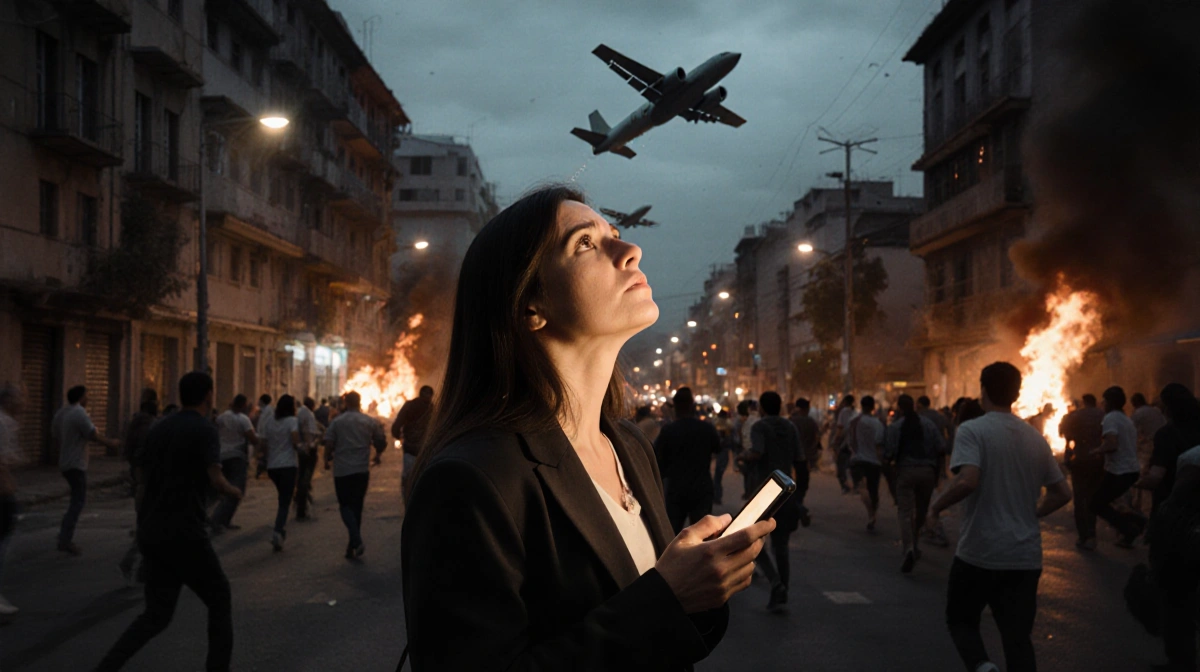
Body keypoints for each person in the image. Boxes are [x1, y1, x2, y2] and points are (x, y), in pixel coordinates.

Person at [400, 186, 772, 670]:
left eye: (615, 234)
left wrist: (702, 586)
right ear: (530, 305)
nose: (630, 250)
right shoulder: (472, 478)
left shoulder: (629, 444)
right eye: (585, 244)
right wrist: (666, 596)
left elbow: (664, 633)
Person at [929, 362, 1071, 672]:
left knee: (961, 621)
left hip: (980, 552)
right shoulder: (1035, 438)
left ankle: (981, 666)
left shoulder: (972, 430)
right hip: (1024, 557)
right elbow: (1062, 493)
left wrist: (936, 507)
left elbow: (967, 480)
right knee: (1017, 638)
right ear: (1017, 393)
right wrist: (1032, 513)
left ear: (983, 390)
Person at [96, 372, 241, 672]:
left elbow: (141, 477)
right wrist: (233, 490)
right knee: (219, 598)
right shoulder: (204, 429)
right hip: (185, 532)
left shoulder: (160, 427)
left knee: (157, 615)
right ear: (208, 395)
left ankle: (106, 666)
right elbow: (216, 477)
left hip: (154, 530)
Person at [740, 391, 808, 611]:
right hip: (786, 492)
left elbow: (757, 453)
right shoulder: (790, 427)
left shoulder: (759, 427)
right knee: (782, 545)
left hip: (764, 492)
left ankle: (775, 582)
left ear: (761, 407)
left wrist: (743, 456)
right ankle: (783, 590)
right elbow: (800, 459)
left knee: (753, 541)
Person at [1148, 445, 1200, 672]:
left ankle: (1181, 661)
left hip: (1186, 540)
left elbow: (1177, 498)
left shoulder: (1192, 458)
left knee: (1178, 602)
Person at [51, 385, 120, 555]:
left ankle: (64, 536)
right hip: (76, 463)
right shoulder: (79, 412)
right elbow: (92, 434)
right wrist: (111, 443)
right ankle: (65, 539)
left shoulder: (62, 413)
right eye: (87, 396)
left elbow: (55, 433)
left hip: (65, 462)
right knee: (78, 501)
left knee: (76, 499)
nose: (88, 399)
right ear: (82, 397)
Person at [885, 394, 945, 573]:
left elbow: (889, 453)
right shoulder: (928, 425)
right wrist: (938, 474)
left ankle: (909, 547)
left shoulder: (896, 427)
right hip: (927, 472)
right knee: (921, 511)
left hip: (905, 471)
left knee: (904, 512)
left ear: (900, 408)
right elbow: (941, 448)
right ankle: (916, 543)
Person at [324, 391, 386, 559]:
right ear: (359, 402)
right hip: (361, 471)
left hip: (342, 471)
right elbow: (381, 440)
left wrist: (326, 459)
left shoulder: (337, 422)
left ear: (345, 402)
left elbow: (329, 443)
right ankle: (352, 545)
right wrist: (378, 455)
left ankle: (355, 541)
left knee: (345, 506)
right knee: (357, 506)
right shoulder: (369, 421)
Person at [654, 387, 721, 533]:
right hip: (701, 488)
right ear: (692, 405)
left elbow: (656, 457)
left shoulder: (669, 430)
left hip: (676, 489)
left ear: (676, 407)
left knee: (671, 535)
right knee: (702, 535)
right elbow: (718, 448)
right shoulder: (706, 428)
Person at [1136, 384, 1200, 530]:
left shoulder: (1167, 434)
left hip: (1172, 509)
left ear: (1169, 408)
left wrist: (1136, 483)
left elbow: (1156, 477)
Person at [1091, 386, 1147, 548]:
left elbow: (1112, 443)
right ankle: (1134, 527)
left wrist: (1096, 450)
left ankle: (1133, 527)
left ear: (1108, 402)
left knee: (1096, 504)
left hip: (1119, 471)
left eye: (1104, 400)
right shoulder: (1126, 418)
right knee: (1110, 502)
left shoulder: (1110, 418)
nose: (1102, 403)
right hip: (1130, 469)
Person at [118, 389, 159, 584]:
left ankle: (140, 564)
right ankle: (138, 564)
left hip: (141, 483)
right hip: (148, 484)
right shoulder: (149, 429)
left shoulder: (135, 426)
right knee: (151, 526)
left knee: (147, 525)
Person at [1060, 393, 1106, 550]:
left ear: (1083, 402)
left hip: (1079, 459)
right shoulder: (1103, 415)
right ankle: (1092, 534)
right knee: (1093, 496)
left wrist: (1067, 457)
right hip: (1097, 459)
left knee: (1080, 498)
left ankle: (1083, 536)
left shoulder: (1074, 416)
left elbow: (1067, 437)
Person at [211, 395, 259, 533]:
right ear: (243, 405)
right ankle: (218, 520)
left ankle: (224, 520)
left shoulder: (221, 417)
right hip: (237, 457)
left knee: (225, 489)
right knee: (237, 490)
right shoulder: (243, 419)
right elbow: (252, 437)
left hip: (222, 456)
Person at [260, 395, 301, 551]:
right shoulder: (292, 421)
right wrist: (302, 447)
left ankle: (280, 530)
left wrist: (266, 457)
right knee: (285, 501)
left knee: (282, 498)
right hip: (288, 466)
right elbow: (295, 441)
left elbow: (263, 443)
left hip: (273, 467)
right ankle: (278, 531)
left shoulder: (269, 421)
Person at [0, 384, 22, 615]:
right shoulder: (4, 423)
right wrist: (6, 487)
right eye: (19, 396)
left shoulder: (9, 423)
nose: (24, 402)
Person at [846, 395, 884, 531]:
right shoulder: (878, 423)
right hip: (874, 462)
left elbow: (849, 440)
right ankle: (873, 515)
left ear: (861, 406)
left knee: (862, 488)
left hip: (858, 460)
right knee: (874, 491)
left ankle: (870, 514)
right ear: (873, 407)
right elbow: (879, 444)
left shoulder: (853, 421)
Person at [392, 385, 434, 496]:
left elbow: (396, 426)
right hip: (426, 451)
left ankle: (408, 503)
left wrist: (398, 436)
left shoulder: (409, 406)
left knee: (408, 479)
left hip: (410, 449)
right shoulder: (434, 409)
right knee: (424, 479)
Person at [294, 397, 321, 521]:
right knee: (305, 479)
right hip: (308, 451)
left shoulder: (300, 412)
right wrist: (311, 446)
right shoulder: (308, 414)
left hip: (300, 451)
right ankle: (301, 508)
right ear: (312, 405)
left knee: (301, 479)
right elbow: (308, 434)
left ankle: (300, 502)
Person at [832, 395, 858, 494]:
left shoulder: (843, 412)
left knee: (840, 466)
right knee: (851, 466)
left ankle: (845, 486)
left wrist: (835, 442)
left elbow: (840, 429)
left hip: (845, 444)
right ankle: (855, 486)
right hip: (854, 444)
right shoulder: (855, 412)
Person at [711, 409, 736, 505]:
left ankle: (717, 496)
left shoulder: (717, 423)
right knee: (718, 475)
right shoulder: (729, 424)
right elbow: (733, 440)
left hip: (719, 451)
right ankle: (717, 496)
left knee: (717, 475)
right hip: (723, 451)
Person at [790, 398, 821, 470]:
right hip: (807, 455)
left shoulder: (791, 421)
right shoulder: (811, 421)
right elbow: (817, 437)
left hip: (794, 455)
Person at [252, 394, 273, 478]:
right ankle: (260, 471)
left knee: (263, 455)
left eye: (259, 401)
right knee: (262, 455)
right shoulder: (264, 410)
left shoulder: (268, 411)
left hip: (265, 436)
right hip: (262, 436)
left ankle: (261, 471)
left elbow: (265, 424)